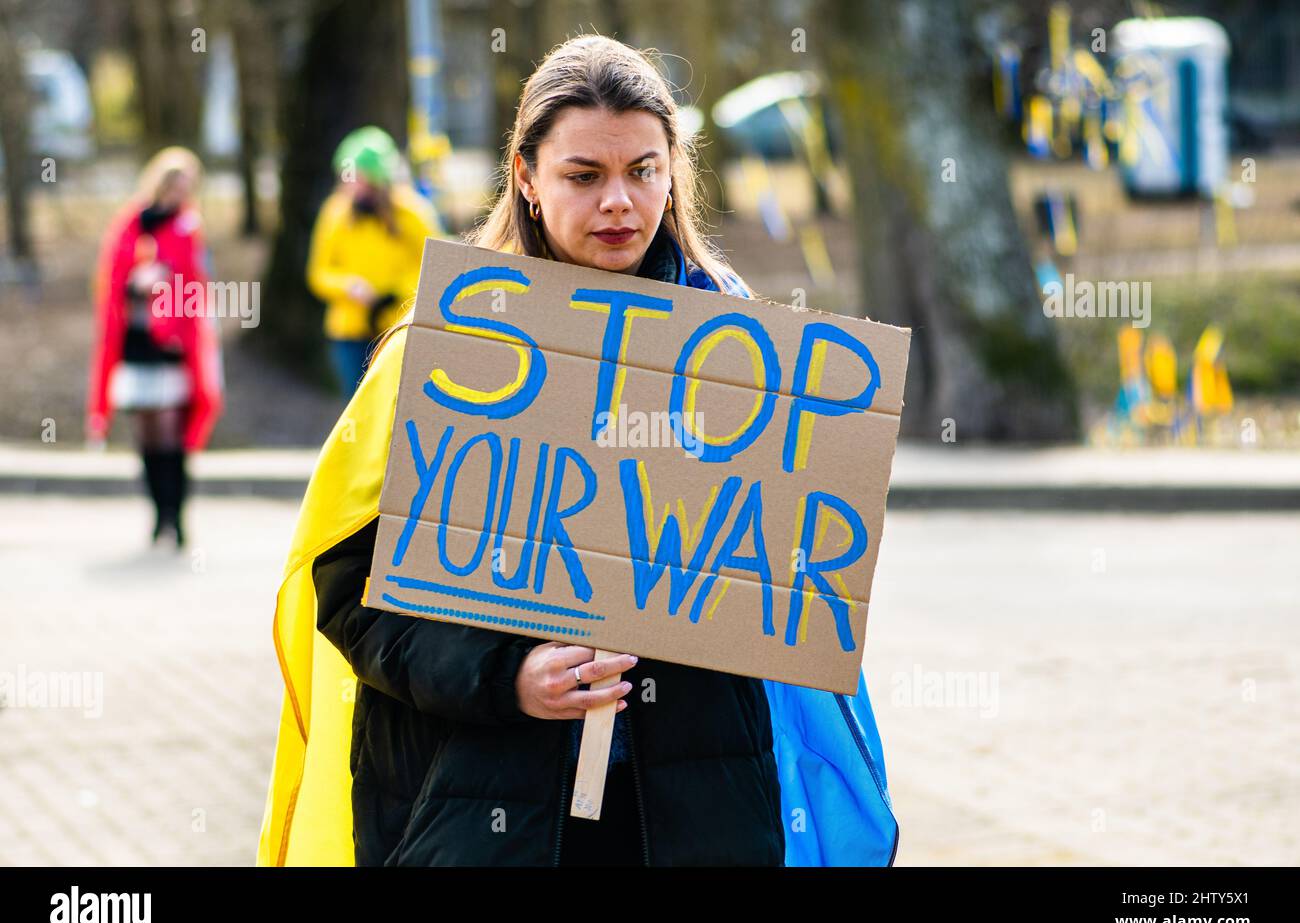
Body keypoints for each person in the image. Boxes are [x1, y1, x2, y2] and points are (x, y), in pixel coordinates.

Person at [257, 34, 898, 867]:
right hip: (488, 815)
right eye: (583, 176)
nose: (620, 204)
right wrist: (507, 676)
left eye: (643, 170)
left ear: (674, 171)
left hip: (701, 818)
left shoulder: (749, 358)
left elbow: (792, 585)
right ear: (525, 176)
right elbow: (348, 593)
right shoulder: (444, 350)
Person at [86, 146, 224, 548]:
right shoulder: (130, 224)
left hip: (172, 343)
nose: (179, 194)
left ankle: (176, 513)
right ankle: (156, 513)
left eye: (186, 187)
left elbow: (196, 283)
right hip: (135, 340)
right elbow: (111, 280)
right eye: (173, 184)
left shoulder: (187, 228)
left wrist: (165, 286)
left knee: (170, 431)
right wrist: (135, 282)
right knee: (145, 433)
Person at [306, 126, 444, 399]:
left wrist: (396, 294)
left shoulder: (413, 213)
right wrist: (347, 286)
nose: (352, 186)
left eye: (360, 178)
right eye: (348, 178)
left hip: (399, 329)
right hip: (348, 331)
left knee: (397, 406)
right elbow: (319, 272)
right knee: (356, 408)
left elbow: (439, 267)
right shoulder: (335, 213)